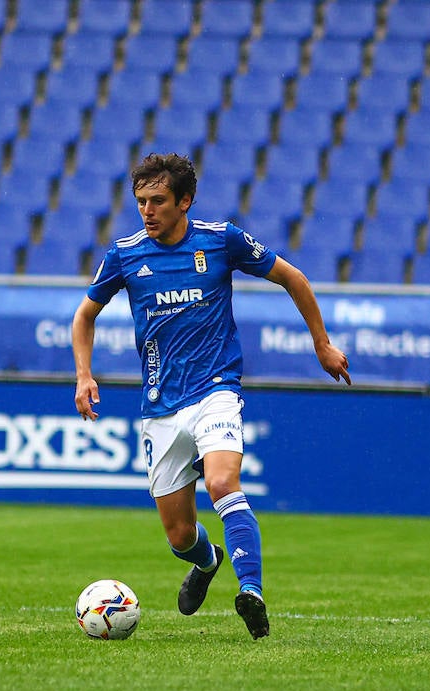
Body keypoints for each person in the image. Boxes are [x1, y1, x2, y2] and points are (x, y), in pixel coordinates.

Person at [71, 153, 351, 640]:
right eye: (140, 202)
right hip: (159, 407)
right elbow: (84, 316)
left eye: (157, 201)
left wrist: (321, 344)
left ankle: (252, 592)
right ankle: (207, 561)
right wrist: (83, 375)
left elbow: (293, 277)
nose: (147, 211)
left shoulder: (221, 239)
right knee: (180, 537)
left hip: (216, 390)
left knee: (223, 483)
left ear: (185, 201)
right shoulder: (125, 253)